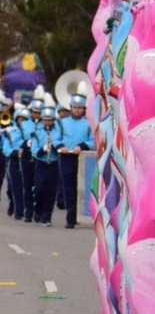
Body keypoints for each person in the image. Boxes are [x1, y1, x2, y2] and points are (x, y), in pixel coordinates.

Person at [58, 94, 95, 230]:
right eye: (75, 108)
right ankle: (71, 218)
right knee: (68, 187)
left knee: (81, 187)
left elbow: (93, 140)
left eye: (81, 108)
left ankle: (82, 215)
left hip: (82, 157)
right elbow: (56, 137)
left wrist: (82, 146)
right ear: (70, 108)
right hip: (66, 156)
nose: (78, 110)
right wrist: (61, 146)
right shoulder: (62, 122)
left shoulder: (88, 123)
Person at [31, 104, 63, 226]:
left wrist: (56, 146)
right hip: (41, 163)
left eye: (50, 120)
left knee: (51, 191)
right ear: (42, 120)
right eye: (46, 119)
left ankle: (47, 217)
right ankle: (38, 211)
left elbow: (61, 142)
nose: (48, 122)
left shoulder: (58, 132)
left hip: (53, 163)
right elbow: (34, 150)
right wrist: (42, 150)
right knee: (39, 190)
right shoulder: (37, 132)